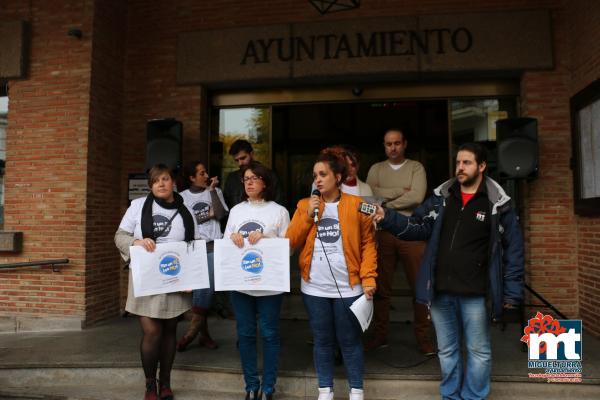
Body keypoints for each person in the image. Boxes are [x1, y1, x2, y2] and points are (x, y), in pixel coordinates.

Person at [372, 142, 524, 400]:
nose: (460, 168)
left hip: (475, 293)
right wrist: (387, 217)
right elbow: (418, 226)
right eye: (458, 163)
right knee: (447, 350)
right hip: (440, 291)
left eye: (466, 163)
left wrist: (512, 294)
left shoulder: (497, 204)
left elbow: (514, 252)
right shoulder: (442, 198)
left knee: (478, 351)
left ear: (482, 166)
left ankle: (473, 396)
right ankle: (451, 396)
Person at [286, 147, 377, 400]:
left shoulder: (358, 205)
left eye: (323, 174)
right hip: (314, 288)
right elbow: (290, 240)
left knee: (349, 342)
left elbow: (369, 244)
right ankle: (325, 391)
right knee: (322, 341)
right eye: (315, 175)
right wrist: (307, 214)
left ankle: (356, 392)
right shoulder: (305, 205)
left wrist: (369, 277)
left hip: (350, 287)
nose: (317, 179)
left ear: (337, 177)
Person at [114, 164, 198, 400]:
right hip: (146, 278)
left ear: (174, 183)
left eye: (165, 179)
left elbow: (195, 245)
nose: (160, 184)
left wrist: (192, 276)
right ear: (151, 185)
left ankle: (166, 383)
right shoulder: (138, 206)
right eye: (155, 180)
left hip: (176, 277)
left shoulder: (186, 211)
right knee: (152, 332)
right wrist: (136, 243)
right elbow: (119, 236)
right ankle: (151, 384)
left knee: (170, 331)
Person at [224, 162, 290, 400]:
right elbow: (226, 247)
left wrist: (268, 237)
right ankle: (251, 386)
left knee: (270, 335)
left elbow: (289, 249)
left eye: (254, 178)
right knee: (245, 335)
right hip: (241, 284)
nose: (249, 182)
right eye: (246, 179)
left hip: (269, 285)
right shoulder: (236, 211)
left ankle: (269, 388)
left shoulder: (279, 211)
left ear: (266, 182)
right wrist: (231, 236)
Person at [365, 128, 434, 355]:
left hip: (413, 232)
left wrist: (385, 206)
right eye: (388, 144)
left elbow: (417, 196)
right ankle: (380, 335)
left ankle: (423, 338)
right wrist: (397, 193)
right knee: (381, 288)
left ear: (404, 144)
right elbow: (370, 197)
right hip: (383, 233)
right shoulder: (376, 169)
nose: (392, 147)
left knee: (420, 288)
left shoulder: (416, 167)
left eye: (396, 143)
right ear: (384, 146)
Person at [176, 161, 228, 351]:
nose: (206, 175)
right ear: (191, 177)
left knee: (207, 289)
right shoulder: (182, 197)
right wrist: (208, 215)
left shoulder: (215, 191)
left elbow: (221, 214)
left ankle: (190, 333)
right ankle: (204, 336)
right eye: (201, 173)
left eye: (206, 172)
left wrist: (213, 191)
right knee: (199, 290)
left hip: (214, 246)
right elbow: (184, 222)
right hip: (193, 248)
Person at [223, 139, 283, 208]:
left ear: (251, 154)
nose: (240, 163)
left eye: (243, 158)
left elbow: (279, 203)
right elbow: (226, 206)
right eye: (237, 160)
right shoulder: (232, 178)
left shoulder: (269, 175)